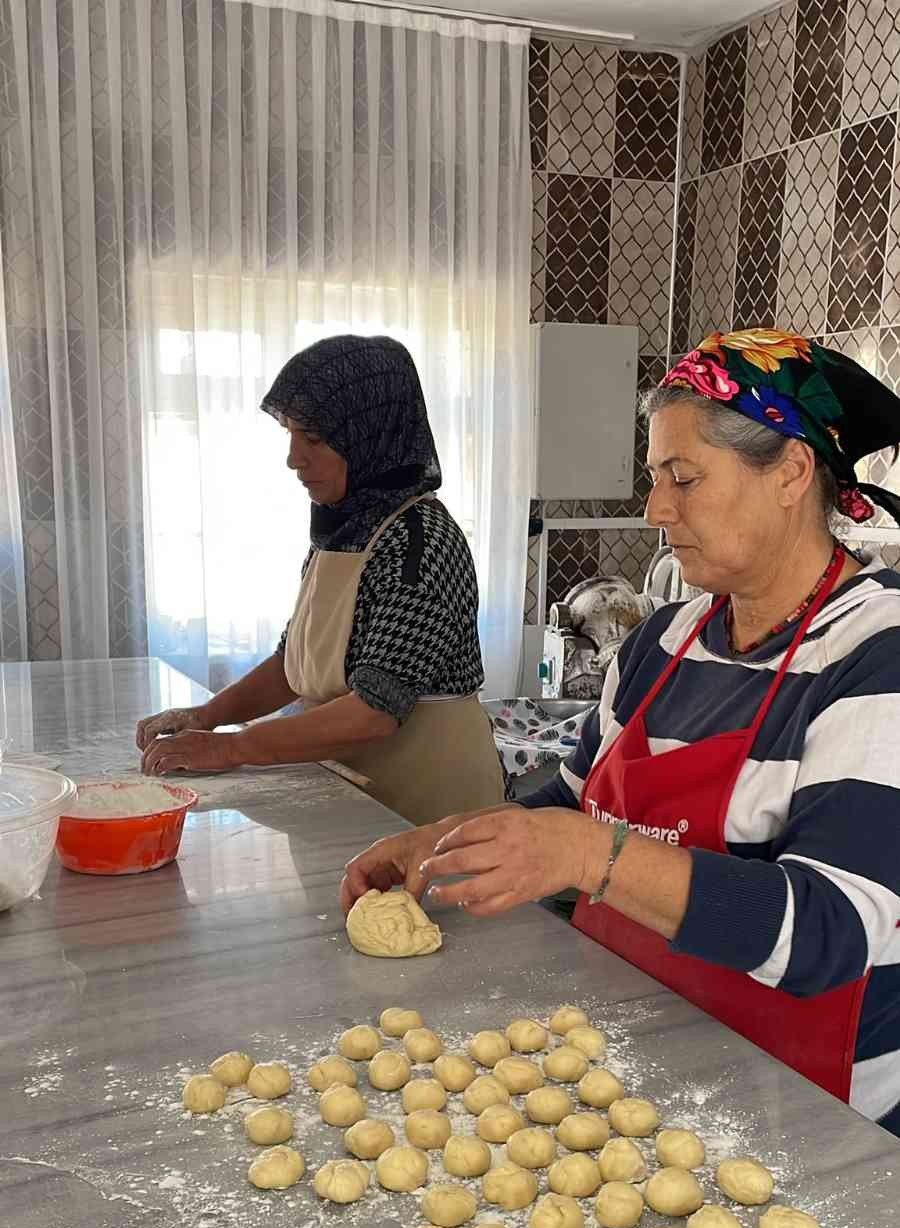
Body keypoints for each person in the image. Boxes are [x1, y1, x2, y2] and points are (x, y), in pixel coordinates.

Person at [342, 327, 900, 1130]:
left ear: (791, 473)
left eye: (684, 477)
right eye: (654, 477)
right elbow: (566, 801)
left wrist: (586, 854)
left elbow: (826, 934)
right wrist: (437, 842)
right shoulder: (662, 641)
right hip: (636, 1065)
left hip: (803, 1109)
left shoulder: (876, 654)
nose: (654, 509)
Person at [136, 334, 504, 825]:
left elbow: (374, 709)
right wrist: (207, 717)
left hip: (427, 808)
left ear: (368, 436)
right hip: (352, 792)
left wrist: (228, 749)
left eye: (313, 437)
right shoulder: (342, 530)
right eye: (289, 434)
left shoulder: (422, 543)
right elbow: (294, 663)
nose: (293, 458)